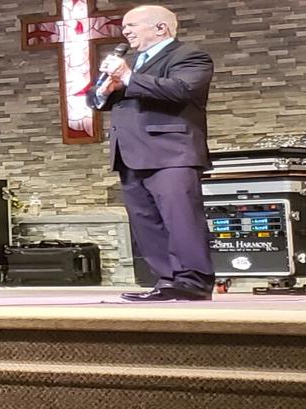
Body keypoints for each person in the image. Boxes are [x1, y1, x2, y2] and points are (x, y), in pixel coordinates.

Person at [90, 5, 215, 301]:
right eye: (124, 27)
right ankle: (168, 280)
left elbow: (182, 90)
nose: (126, 32)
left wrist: (130, 78)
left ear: (161, 28)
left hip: (172, 152)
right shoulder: (129, 62)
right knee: (145, 220)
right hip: (130, 153)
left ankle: (193, 281)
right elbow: (95, 100)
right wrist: (103, 91)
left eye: (132, 25)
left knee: (180, 218)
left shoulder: (189, 56)